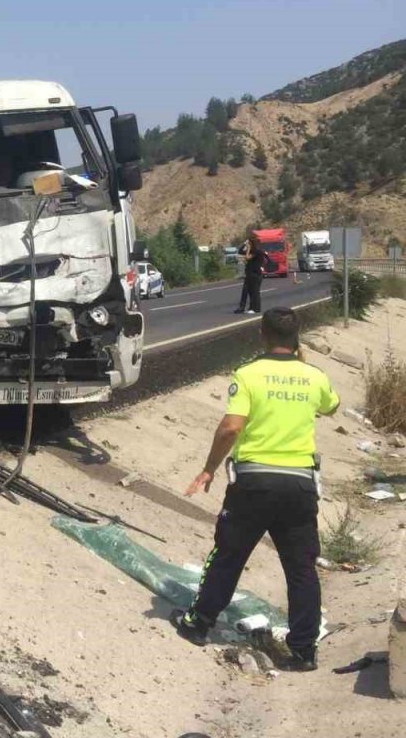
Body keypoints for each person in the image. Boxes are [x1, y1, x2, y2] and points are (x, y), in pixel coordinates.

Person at [171, 307, 340, 671]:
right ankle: (304, 649)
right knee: (301, 568)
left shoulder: (248, 375)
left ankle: (198, 623)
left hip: (254, 484)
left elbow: (231, 427)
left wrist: (209, 468)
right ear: (297, 337)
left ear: (261, 334)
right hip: (299, 484)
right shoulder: (314, 375)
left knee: (229, 554)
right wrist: (303, 365)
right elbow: (332, 406)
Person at [234, 234, 269, 315]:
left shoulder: (257, 251)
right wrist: (244, 244)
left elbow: (247, 257)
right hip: (249, 274)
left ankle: (256, 308)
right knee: (246, 290)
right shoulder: (252, 250)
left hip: (255, 274)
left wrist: (248, 248)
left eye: (249, 243)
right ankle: (243, 307)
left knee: (255, 292)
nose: (248, 245)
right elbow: (240, 251)